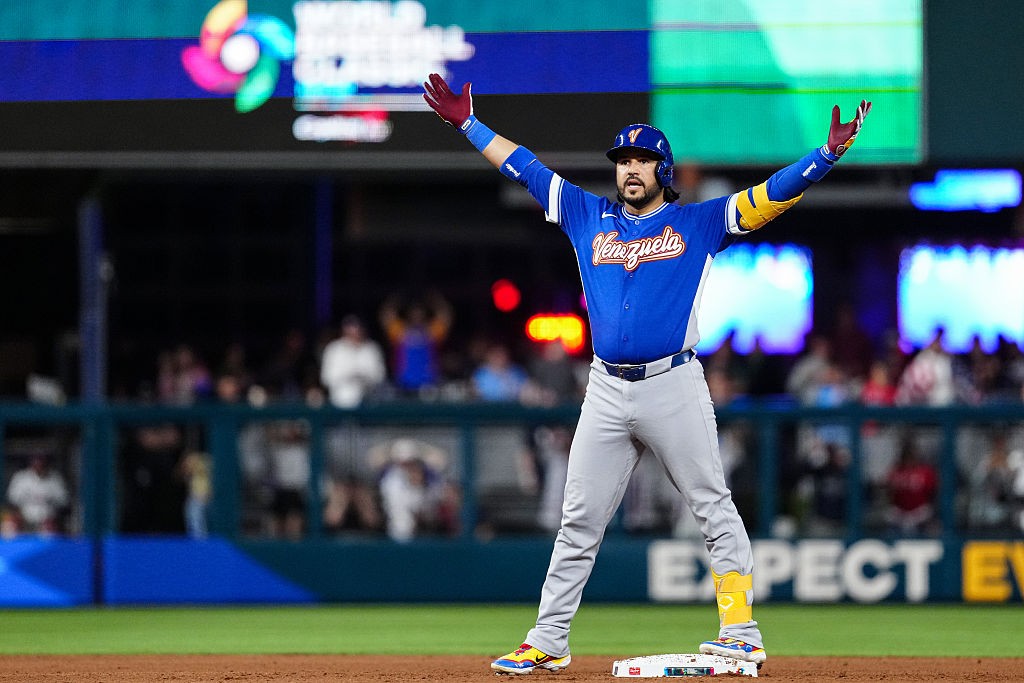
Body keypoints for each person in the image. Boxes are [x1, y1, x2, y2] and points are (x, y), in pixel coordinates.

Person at [423, 72, 871, 672]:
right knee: (577, 519)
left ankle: (741, 630)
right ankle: (548, 642)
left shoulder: (699, 222)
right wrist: (467, 124)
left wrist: (823, 156)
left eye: (642, 160)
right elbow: (525, 167)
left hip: (673, 383)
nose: (630, 169)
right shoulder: (587, 216)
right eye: (623, 160)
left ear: (663, 170)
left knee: (712, 505)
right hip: (606, 388)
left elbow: (767, 197)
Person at [319, 314, 388, 408]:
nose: (355, 332)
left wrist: (363, 377)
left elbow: (380, 376)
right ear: (344, 330)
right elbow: (326, 378)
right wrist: (349, 376)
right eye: (351, 329)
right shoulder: (334, 349)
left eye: (358, 328)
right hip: (341, 403)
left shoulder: (372, 348)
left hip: (369, 403)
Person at [5, 454, 69, 535]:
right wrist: (18, 515)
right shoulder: (21, 477)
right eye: (36, 463)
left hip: (48, 521)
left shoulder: (55, 478)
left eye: (41, 463)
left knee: (48, 536)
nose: (38, 466)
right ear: (31, 464)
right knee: (9, 526)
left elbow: (64, 501)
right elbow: (11, 500)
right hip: (24, 520)